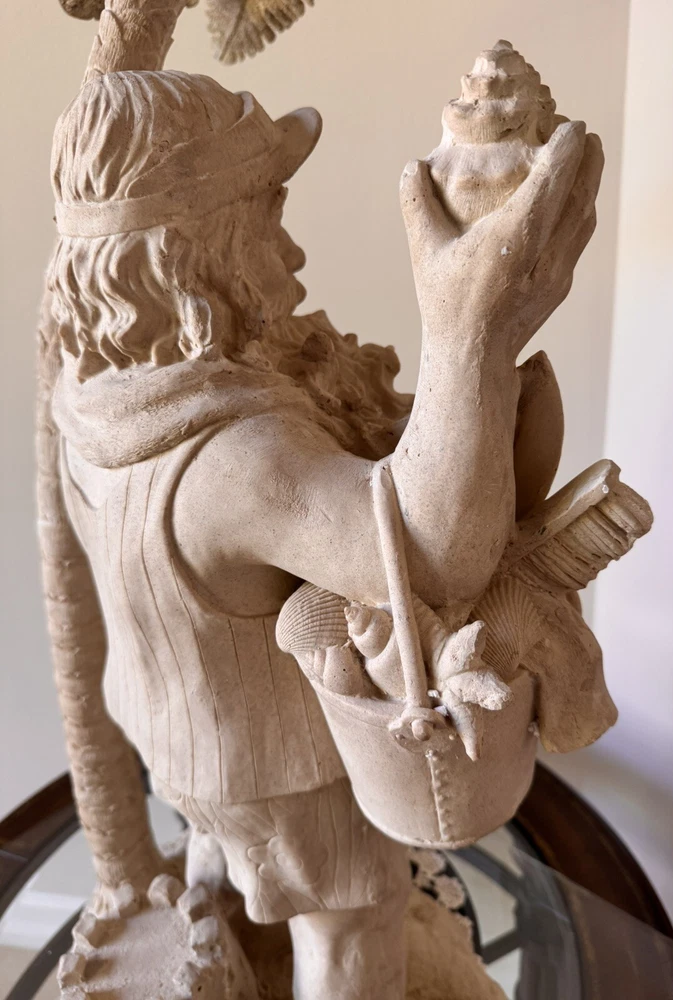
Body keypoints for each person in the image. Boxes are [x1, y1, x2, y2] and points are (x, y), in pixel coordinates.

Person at [49, 68, 601, 999]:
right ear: (192, 257)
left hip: (190, 730)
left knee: (246, 857)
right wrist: (470, 326)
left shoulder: (99, 389)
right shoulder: (232, 462)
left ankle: (228, 929)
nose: (292, 252)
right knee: (351, 916)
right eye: (265, 221)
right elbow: (429, 554)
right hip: (281, 761)